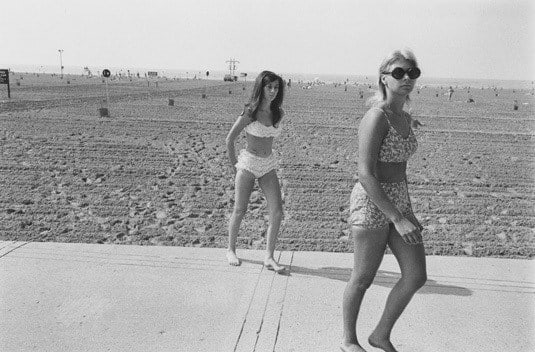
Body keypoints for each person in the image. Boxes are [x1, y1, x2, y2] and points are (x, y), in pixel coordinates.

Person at [342, 49, 427, 352]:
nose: (406, 78)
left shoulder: (404, 117)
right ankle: (349, 341)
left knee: (416, 276)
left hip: (399, 202)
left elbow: (400, 171)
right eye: (399, 73)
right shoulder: (376, 117)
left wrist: (408, 211)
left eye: (412, 73)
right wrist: (397, 217)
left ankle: (380, 335)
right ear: (384, 78)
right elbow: (365, 173)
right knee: (363, 277)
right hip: (372, 202)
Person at [225, 70, 286, 273]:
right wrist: (236, 167)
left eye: (276, 87)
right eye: (269, 87)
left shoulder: (278, 113)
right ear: (261, 87)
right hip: (248, 164)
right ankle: (231, 250)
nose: (273, 91)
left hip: (268, 165)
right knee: (240, 209)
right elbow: (230, 139)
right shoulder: (250, 112)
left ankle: (269, 257)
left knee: (277, 212)